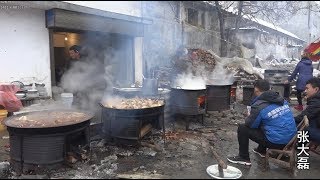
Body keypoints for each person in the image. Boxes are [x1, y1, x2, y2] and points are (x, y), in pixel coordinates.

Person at [227, 79, 297, 166]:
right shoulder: (281, 99)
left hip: (277, 143)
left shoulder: (259, 105)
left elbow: (250, 125)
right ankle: (261, 150)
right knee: (268, 122)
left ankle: (243, 157)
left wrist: (249, 116)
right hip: (291, 140)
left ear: (256, 90)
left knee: (243, 128)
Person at [294, 77, 320, 147]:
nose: (305, 91)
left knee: (299, 127)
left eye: (307, 88)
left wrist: (288, 120)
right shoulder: (316, 99)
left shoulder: (317, 101)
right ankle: (300, 146)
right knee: (309, 121)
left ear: (316, 89)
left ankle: (298, 147)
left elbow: (303, 116)